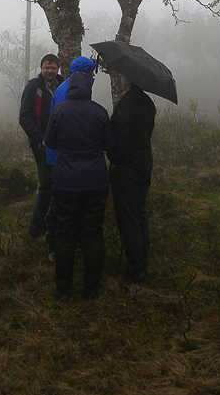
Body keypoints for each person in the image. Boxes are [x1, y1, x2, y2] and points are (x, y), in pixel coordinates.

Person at [44, 70, 115, 301]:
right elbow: (108, 143)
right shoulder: (100, 112)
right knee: (94, 233)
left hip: (66, 182)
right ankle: (92, 288)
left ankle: (63, 289)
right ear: (89, 88)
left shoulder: (59, 111)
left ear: (70, 87)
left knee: (65, 233)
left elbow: (51, 142)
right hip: (96, 181)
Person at [44, 55, 97, 262]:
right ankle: (53, 246)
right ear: (84, 73)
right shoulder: (67, 91)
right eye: (92, 72)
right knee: (58, 204)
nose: (93, 75)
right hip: (61, 158)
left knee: (63, 203)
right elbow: (63, 126)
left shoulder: (70, 87)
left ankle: (64, 243)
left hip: (64, 157)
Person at [108, 76, 156, 284]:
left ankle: (135, 270)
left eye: (121, 77)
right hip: (144, 162)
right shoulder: (147, 102)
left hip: (127, 165)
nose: (119, 80)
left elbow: (121, 135)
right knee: (139, 213)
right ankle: (142, 262)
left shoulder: (127, 102)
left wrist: (114, 159)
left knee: (128, 217)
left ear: (128, 81)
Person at [19, 54, 63, 241]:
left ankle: (55, 225)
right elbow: (25, 117)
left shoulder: (64, 86)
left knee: (60, 186)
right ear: (41, 68)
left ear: (58, 69)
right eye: (47, 67)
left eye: (53, 68)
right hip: (42, 145)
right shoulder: (33, 88)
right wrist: (40, 139)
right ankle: (36, 229)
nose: (50, 71)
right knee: (46, 186)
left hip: (62, 145)